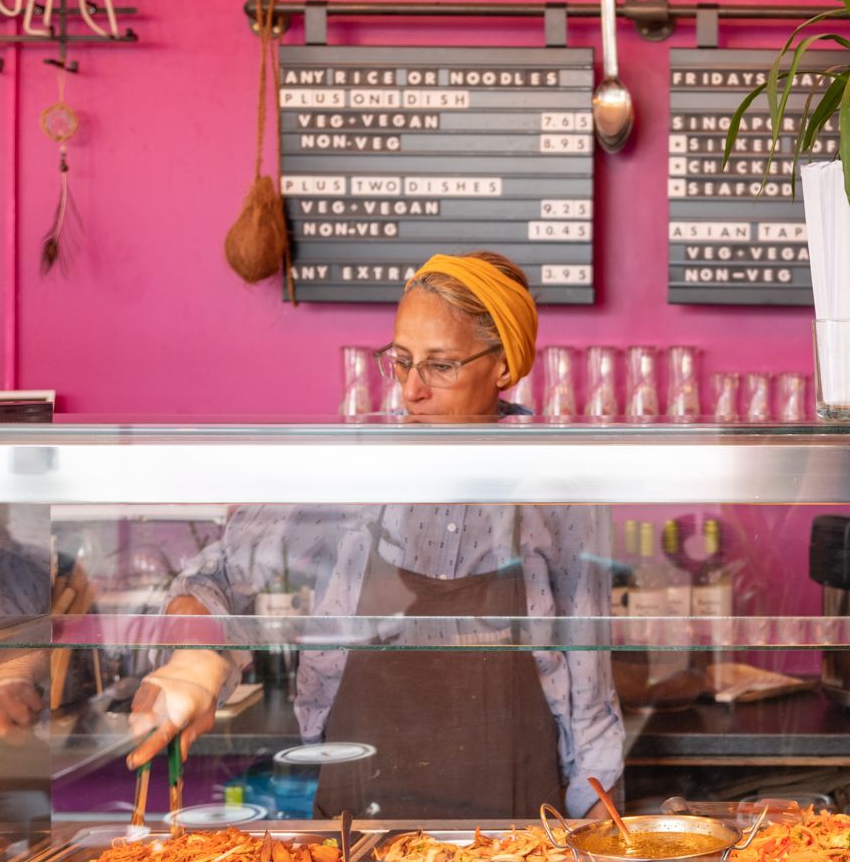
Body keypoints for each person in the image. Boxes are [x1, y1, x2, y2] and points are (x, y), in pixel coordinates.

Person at [120, 252, 622, 818]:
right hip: (361, 807)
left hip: (515, 819)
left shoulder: (557, 484)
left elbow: (588, 678)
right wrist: (194, 664)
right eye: (402, 361)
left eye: (440, 365)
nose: (411, 391)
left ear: (504, 366)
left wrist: (600, 828)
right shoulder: (354, 471)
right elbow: (213, 578)